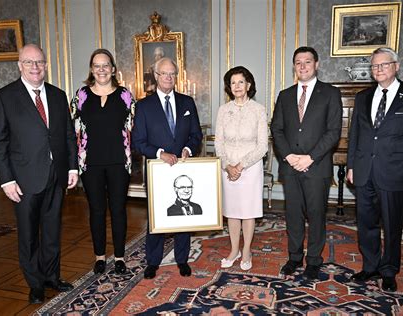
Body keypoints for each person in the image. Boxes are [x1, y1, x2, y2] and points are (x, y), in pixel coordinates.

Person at [0, 44, 78, 304]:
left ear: (46, 65)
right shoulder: (5, 97)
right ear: (19, 65)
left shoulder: (58, 95)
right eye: (29, 62)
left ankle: (52, 277)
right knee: (29, 235)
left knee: (52, 230)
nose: (35, 67)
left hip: (56, 175)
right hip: (24, 179)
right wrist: (6, 179)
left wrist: (72, 167)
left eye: (39, 62)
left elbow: (68, 135)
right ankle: (35, 284)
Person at [346, 47, 403, 292]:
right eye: (374, 66)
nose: (378, 70)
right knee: (366, 222)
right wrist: (350, 165)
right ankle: (370, 266)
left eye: (384, 65)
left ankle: (389, 271)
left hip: (395, 171)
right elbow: (355, 135)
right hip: (363, 169)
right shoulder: (362, 97)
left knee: (392, 225)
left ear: (396, 66)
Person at [271, 46, 342, 280]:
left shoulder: (330, 93)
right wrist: (289, 157)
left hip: (316, 166)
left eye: (307, 62)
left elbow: (333, 132)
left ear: (316, 64)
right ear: (294, 66)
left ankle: (313, 260)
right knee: (292, 215)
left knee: (316, 214)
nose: (303, 66)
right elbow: (277, 129)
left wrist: (310, 157)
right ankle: (294, 258)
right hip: (290, 167)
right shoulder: (285, 95)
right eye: (298, 62)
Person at [132, 57, 203, 279]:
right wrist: (160, 153)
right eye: (164, 74)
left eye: (172, 73)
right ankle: (153, 261)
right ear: (156, 76)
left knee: (183, 214)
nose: (168, 78)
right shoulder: (143, 106)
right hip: (157, 169)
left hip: (182, 166)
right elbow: (138, 141)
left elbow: (196, 135)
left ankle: (182, 259)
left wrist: (188, 150)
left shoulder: (187, 102)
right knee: (157, 217)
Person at [70, 48, 135, 276]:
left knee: (118, 210)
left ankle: (119, 257)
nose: (101, 70)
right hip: (90, 164)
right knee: (97, 210)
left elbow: (132, 130)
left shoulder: (126, 96)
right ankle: (99, 257)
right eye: (97, 66)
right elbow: (73, 132)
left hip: (119, 162)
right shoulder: (81, 96)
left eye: (105, 65)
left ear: (113, 69)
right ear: (91, 69)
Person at [214, 66, 268, 271]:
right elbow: (218, 143)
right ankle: (234, 249)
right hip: (227, 169)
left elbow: (262, 146)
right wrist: (228, 165)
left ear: (249, 85)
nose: (237, 86)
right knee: (232, 212)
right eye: (233, 82)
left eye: (241, 82)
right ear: (229, 87)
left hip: (250, 168)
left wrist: (240, 165)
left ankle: (246, 251)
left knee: (248, 212)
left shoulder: (258, 110)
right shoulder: (223, 110)